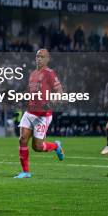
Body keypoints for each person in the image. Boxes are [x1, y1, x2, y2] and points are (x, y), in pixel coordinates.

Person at [14, 49, 65, 179]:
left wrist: (52, 101)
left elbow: (59, 90)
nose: (39, 59)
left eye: (42, 57)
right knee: (22, 139)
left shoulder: (50, 73)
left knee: (37, 147)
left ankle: (55, 146)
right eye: (37, 56)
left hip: (43, 115)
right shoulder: (32, 74)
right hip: (30, 112)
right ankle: (25, 172)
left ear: (47, 59)